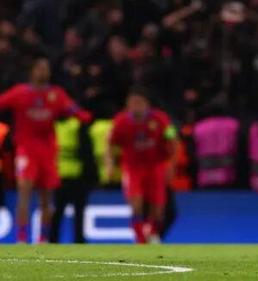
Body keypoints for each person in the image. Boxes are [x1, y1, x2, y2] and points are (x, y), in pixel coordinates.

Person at [0, 57, 92, 243]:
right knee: (24, 193)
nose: (44, 72)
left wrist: (82, 115)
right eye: (40, 68)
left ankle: (43, 239)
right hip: (26, 150)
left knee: (46, 199)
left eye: (46, 69)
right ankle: (21, 238)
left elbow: (78, 113)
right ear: (32, 71)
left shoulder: (56, 94)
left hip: (48, 151)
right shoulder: (19, 92)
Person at [105, 87, 176, 244]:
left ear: (147, 104)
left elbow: (172, 139)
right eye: (132, 103)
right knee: (136, 204)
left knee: (158, 210)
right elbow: (110, 143)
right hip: (133, 169)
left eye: (139, 103)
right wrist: (109, 164)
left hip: (156, 167)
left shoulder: (161, 119)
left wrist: (171, 164)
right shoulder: (120, 121)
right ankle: (140, 239)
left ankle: (151, 232)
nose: (136, 106)